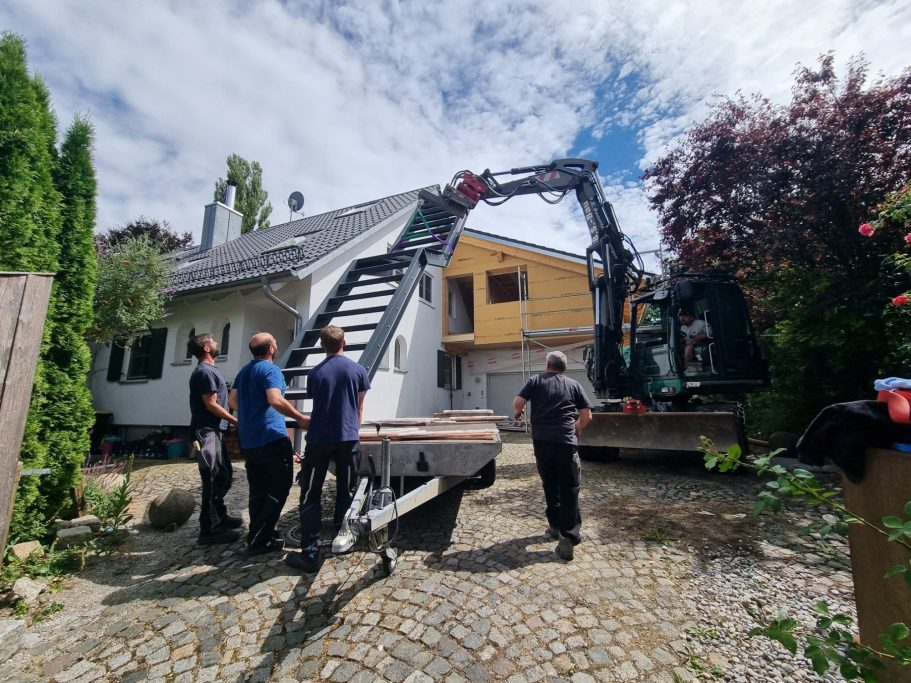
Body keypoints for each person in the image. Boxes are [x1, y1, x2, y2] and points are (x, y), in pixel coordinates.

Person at [285, 325, 370, 573]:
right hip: (348, 438)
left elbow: (320, 402)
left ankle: (310, 554)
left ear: (322, 345)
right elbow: (359, 408)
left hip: (319, 439)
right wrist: (353, 431)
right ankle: (343, 539)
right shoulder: (358, 370)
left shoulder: (315, 373)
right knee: (347, 490)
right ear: (344, 342)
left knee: (310, 493)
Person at [229, 332, 310, 555]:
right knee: (278, 488)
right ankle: (260, 539)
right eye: (275, 341)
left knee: (258, 490)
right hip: (271, 438)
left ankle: (259, 534)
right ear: (271, 349)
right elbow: (275, 399)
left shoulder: (244, 371)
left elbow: (233, 401)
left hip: (249, 440)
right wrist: (300, 418)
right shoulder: (270, 370)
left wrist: (251, 411)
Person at [513, 350, 592, 561]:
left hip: (542, 443)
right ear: (564, 368)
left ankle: (555, 527)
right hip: (565, 445)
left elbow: (518, 402)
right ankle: (567, 539)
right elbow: (587, 416)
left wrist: (518, 413)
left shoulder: (535, 381)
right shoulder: (574, 385)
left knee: (550, 484)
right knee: (569, 488)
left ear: (547, 365)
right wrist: (575, 429)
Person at [187, 332, 243, 545]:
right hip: (206, 431)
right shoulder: (204, 372)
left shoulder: (211, 370)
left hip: (214, 430)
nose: (217, 342)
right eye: (213, 341)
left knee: (224, 476)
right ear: (206, 348)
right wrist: (235, 421)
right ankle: (210, 531)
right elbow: (211, 404)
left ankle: (220, 517)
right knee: (212, 479)